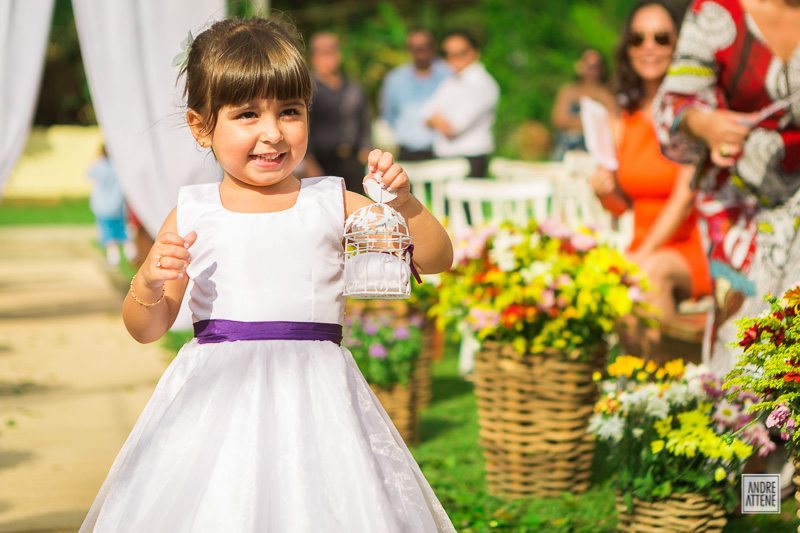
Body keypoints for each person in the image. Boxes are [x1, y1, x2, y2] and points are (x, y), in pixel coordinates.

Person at [79, 16, 456, 532]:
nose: (272, 133)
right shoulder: (193, 212)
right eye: (247, 114)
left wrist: (405, 204)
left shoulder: (330, 200)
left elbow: (436, 259)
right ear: (201, 125)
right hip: (215, 405)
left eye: (290, 111)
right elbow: (147, 328)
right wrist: (146, 284)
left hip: (319, 404)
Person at [654, 0, 800, 377]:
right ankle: (736, 430)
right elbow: (675, 103)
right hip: (738, 205)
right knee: (742, 337)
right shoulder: (717, 13)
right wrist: (707, 125)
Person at [589, 0, 712, 362]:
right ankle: (648, 387)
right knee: (617, 277)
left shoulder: (693, 114)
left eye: (661, 38)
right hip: (643, 240)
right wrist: (604, 193)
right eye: (637, 38)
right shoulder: (622, 117)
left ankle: (674, 388)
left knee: (648, 273)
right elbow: (622, 205)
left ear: (679, 45)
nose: (648, 47)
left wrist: (641, 256)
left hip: (692, 243)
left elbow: (683, 197)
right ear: (626, 48)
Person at [422, 30, 499, 178]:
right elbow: (425, 114)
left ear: (475, 52)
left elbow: (454, 127)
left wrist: (436, 119)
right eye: (448, 54)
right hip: (447, 159)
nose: (453, 58)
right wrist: (436, 119)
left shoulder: (482, 84)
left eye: (460, 53)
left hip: (469, 159)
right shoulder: (450, 81)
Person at [304, 31, 372, 193]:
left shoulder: (353, 88)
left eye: (332, 50)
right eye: (323, 52)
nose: (329, 56)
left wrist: (366, 150)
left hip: (353, 161)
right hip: (323, 162)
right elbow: (304, 127)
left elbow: (365, 120)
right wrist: (309, 162)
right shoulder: (308, 90)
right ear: (313, 56)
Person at [379, 28, 451, 161]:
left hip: (441, 152)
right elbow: (388, 116)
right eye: (414, 48)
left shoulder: (448, 74)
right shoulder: (395, 79)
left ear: (432, 48)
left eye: (423, 47)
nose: (419, 53)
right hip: (406, 152)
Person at [550, 49, 616, 161]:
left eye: (595, 66)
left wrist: (575, 122)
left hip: (595, 154)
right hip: (565, 152)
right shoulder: (568, 91)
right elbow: (559, 120)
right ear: (578, 65)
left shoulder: (607, 94)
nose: (590, 70)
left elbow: (614, 122)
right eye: (587, 64)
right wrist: (592, 122)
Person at [86, 144, 137, 266]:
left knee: (108, 235)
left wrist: (97, 159)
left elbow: (88, 173)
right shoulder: (119, 166)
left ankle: (113, 258)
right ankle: (131, 254)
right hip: (118, 205)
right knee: (123, 232)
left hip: (102, 206)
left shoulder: (99, 166)